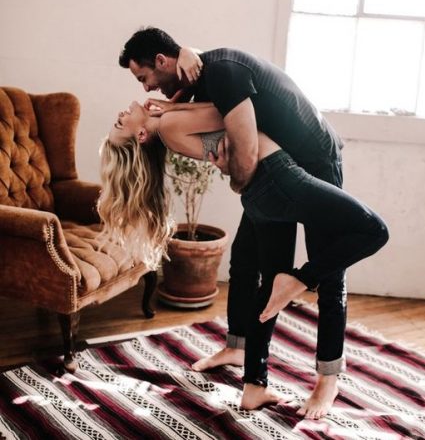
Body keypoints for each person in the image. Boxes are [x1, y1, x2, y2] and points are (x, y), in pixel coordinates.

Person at [104, 28, 389, 419]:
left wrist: (235, 177)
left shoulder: (220, 72)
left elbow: (237, 135)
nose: (145, 89)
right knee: (253, 265)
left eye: (144, 77)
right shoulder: (189, 94)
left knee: (328, 276)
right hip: (276, 174)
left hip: (314, 160)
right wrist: (236, 177)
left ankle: (325, 379)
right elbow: (231, 137)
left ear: (162, 61)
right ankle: (249, 364)